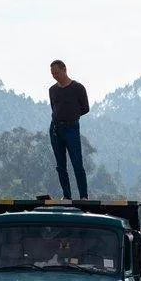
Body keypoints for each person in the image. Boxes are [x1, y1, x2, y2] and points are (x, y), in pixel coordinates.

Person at [48, 59, 89, 200]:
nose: (55, 76)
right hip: (55, 129)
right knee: (60, 165)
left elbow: (85, 108)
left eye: (57, 73)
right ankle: (67, 196)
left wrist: (71, 115)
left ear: (65, 69)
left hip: (71, 128)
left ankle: (83, 196)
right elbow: (53, 108)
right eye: (53, 74)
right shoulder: (52, 90)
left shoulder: (78, 88)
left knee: (77, 163)